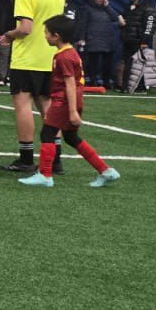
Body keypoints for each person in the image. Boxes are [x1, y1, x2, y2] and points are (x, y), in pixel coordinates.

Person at [19, 15, 120, 189]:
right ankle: (105, 170)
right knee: (71, 137)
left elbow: (70, 84)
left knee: (47, 134)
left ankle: (45, 175)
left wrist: (72, 111)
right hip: (71, 101)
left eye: (46, 33)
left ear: (56, 36)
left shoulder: (64, 57)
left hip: (63, 102)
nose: (45, 36)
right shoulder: (69, 53)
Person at [0, 0, 65, 174]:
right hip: (50, 57)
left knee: (23, 106)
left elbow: (25, 28)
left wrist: (8, 35)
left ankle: (26, 159)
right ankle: (55, 160)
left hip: (27, 59)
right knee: (48, 108)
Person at [74, 0, 121, 91]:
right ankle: (92, 82)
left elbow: (115, 18)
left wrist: (107, 7)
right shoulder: (87, 8)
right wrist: (81, 38)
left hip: (107, 40)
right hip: (93, 40)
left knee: (107, 64)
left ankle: (106, 82)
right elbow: (83, 24)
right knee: (93, 64)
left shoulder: (107, 8)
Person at [119, 0, 156, 92]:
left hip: (139, 41)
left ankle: (139, 87)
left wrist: (145, 41)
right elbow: (125, 21)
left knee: (138, 64)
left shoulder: (148, 7)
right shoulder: (129, 6)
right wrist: (122, 23)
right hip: (128, 40)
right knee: (128, 63)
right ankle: (126, 87)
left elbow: (150, 25)